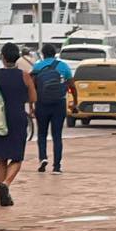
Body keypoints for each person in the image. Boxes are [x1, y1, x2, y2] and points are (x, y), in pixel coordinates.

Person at [0, 40, 35, 206]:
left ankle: (3, 189)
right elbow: (33, 98)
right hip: (17, 118)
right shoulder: (24, 76)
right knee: (17, 157)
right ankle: (5, 185)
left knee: (1, 157)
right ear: (17, 58)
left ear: (3, 57)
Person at [31, 42, 73, 173]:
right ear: (55, 54)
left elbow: (32, 86)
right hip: (59, 104)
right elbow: (72, 84)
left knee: (42, 133)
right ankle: (57, 166)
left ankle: (43, 158)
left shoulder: (37, 66)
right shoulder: (64, 66)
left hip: (41, 103)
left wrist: (31, 104)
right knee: (57, 135)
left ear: (43, 54)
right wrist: (75, 101)